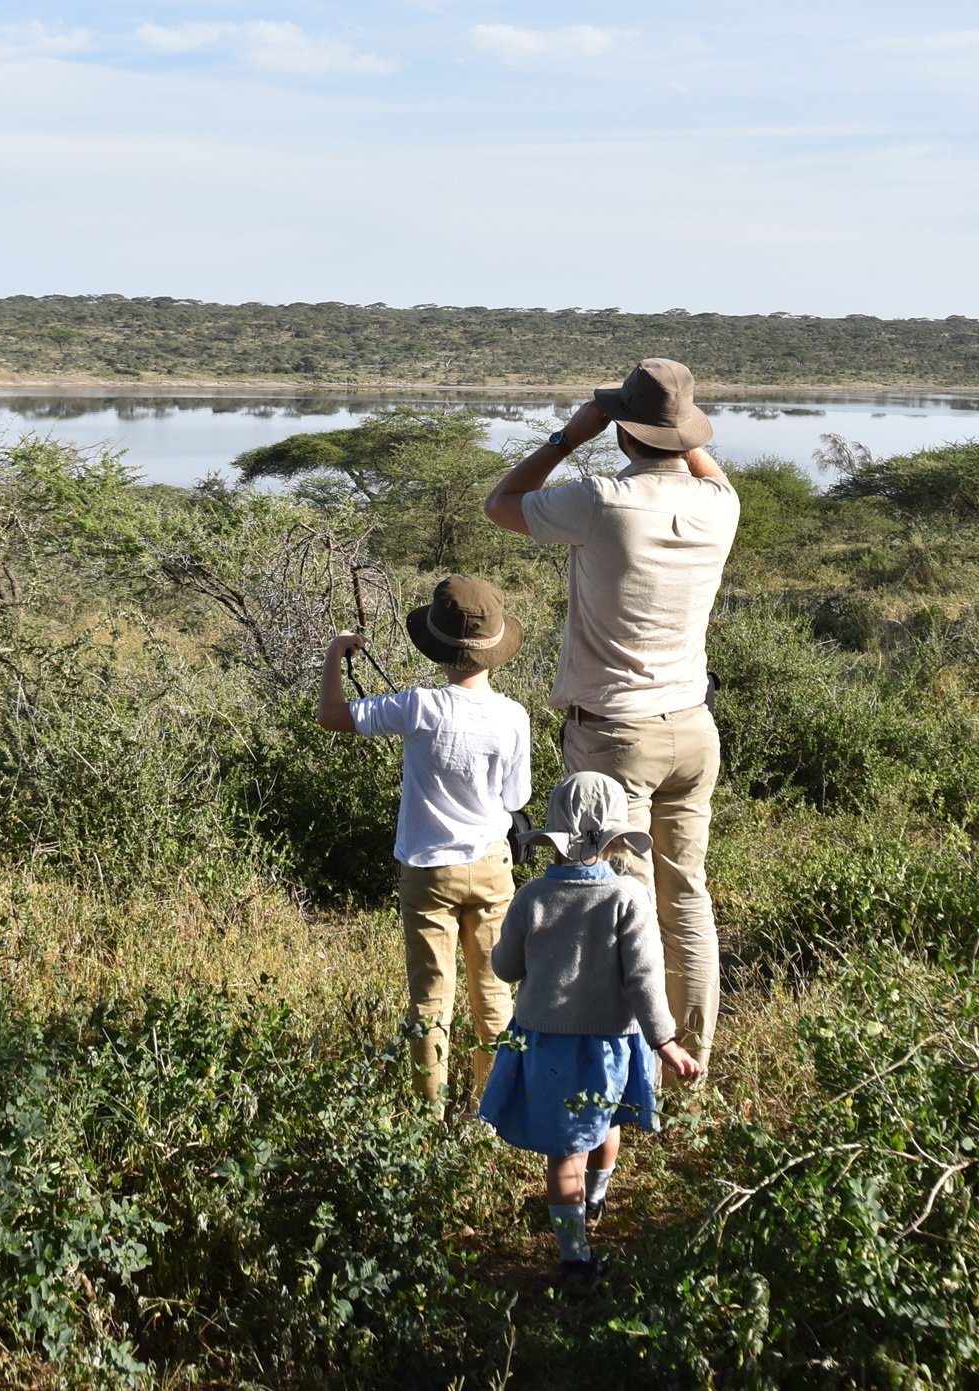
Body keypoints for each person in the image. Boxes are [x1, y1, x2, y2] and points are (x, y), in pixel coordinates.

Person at [484, 358, 740, 1074]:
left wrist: (571, 434)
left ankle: (635, 1068)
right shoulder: (722, 505)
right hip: (692, 726)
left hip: (615, 735)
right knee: (686, 893)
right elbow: (701, 465)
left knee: (621, 903)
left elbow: (501, 502)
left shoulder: (599, 500)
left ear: (622, 433)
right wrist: (670, 426)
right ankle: (694, 1051)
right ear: (686, 434)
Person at [479, 771, 702, 1296]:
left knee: (564, 1151)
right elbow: (646, 978)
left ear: (554, 833)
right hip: (610, 1042)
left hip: (546, 1040)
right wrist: (664, 1040)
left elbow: (507, 968)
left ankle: (573, 1248)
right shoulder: (628, 896)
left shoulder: (532, 896)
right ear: (616, 838)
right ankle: (593, 1206)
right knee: (608, 1122)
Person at [319, 575, 531, 1117]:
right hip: (491, 865)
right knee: (495, 992)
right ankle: (494, 1109)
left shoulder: (418, 706)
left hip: (425, 870)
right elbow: (516, 798)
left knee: (431, 996)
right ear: (496, 649)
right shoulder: (513, 716)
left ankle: (429, 1115)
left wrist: (334, 657)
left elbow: (333, 718)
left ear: (437, 645)